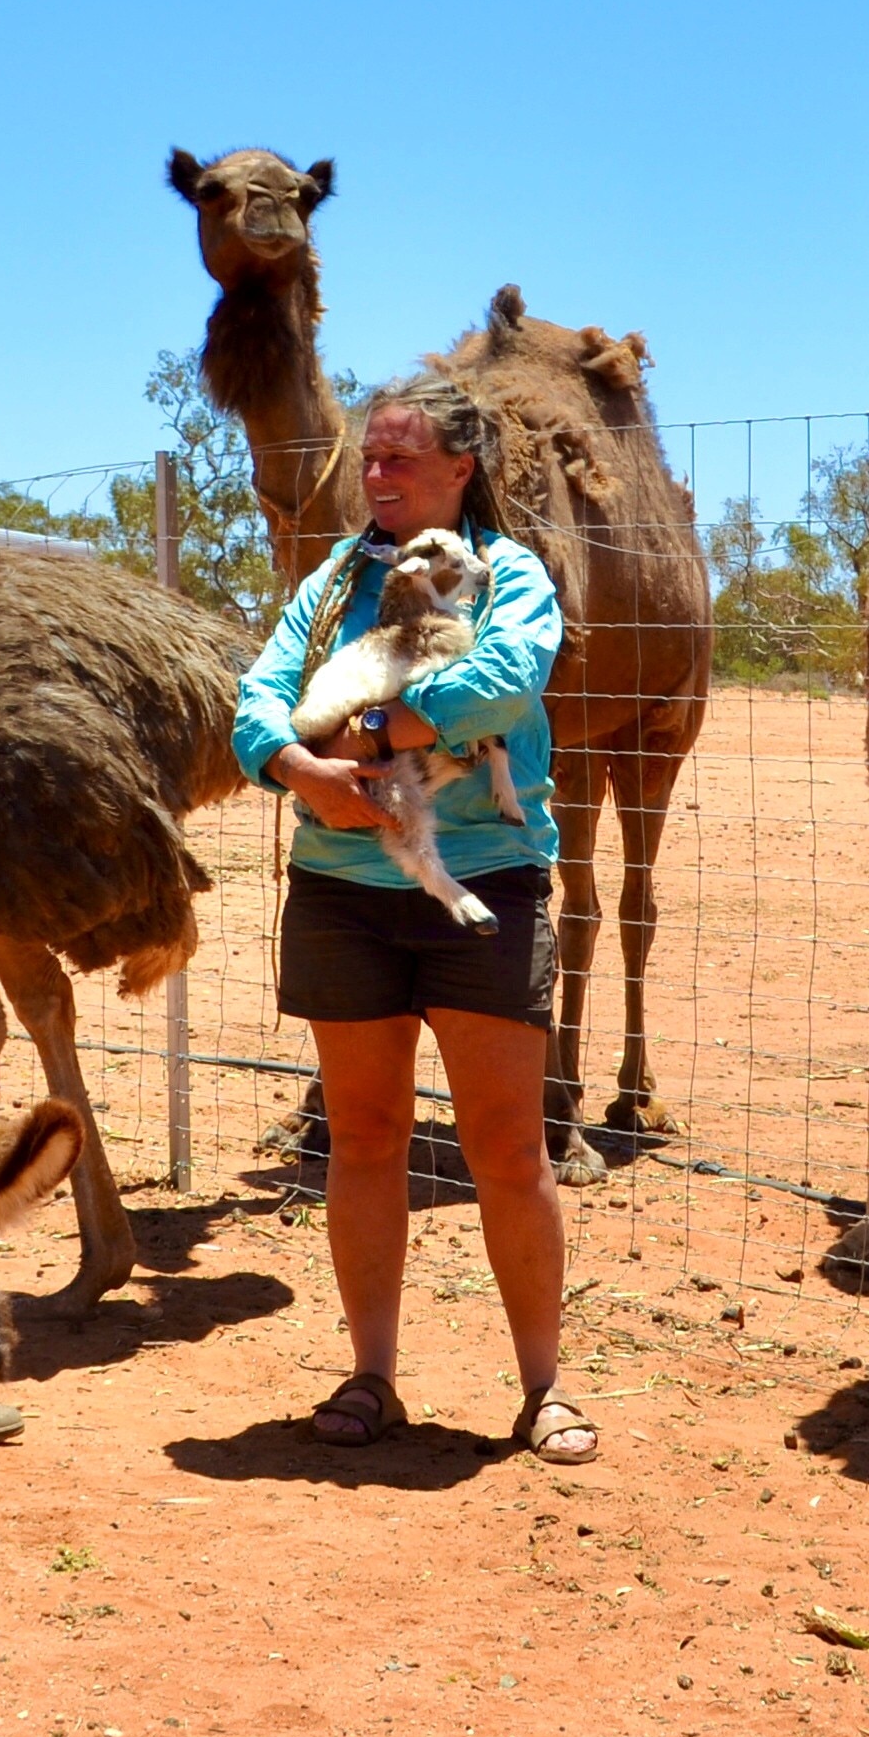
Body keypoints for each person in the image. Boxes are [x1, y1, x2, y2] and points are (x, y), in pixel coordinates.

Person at [233, 371, 592, 1467]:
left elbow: (503, 684)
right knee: (368, 1137)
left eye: (397, 459)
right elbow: (257, 697)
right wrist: (296, 760)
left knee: (505, 1147)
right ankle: (370, 1374)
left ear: (460, 469)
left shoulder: (512, 578)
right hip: (343, 895)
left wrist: (374, 736)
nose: (375, 478)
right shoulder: (337, 582)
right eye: (370, 459)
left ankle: (544, 1388)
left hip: (482, 886)